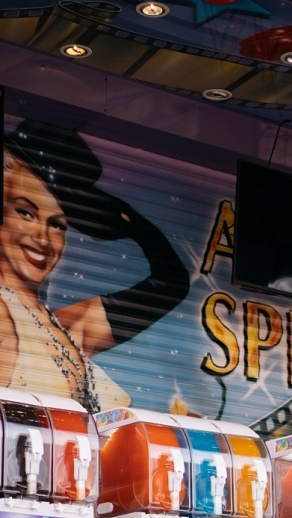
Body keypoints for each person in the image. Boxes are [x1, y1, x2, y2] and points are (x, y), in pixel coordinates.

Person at [0, 120, 189, 412]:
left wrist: (128, 221)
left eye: (58, 225)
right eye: (25, 212)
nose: (42, 238)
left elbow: (171, 282)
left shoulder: (65, 327)